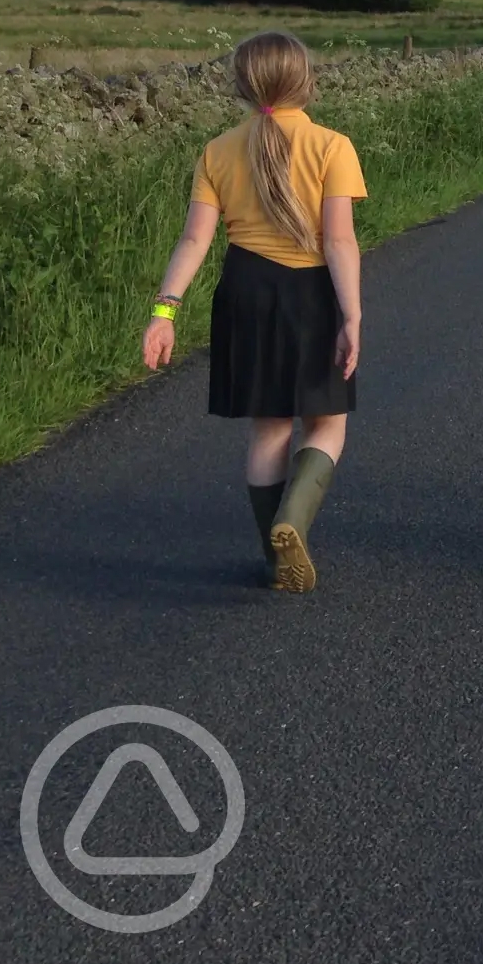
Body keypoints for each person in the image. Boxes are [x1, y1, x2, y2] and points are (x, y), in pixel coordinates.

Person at [143, 31, 364, 593]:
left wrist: (164, 312)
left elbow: (194, 241)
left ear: (240, 84)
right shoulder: (332, 146)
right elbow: (338, 242)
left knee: (268, 432)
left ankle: (273, 557)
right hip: (311, 293)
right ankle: (296, 520)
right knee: (328, 422)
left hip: (245, 292)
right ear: (305, 79)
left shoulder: (218, 150)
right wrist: (352, 315)